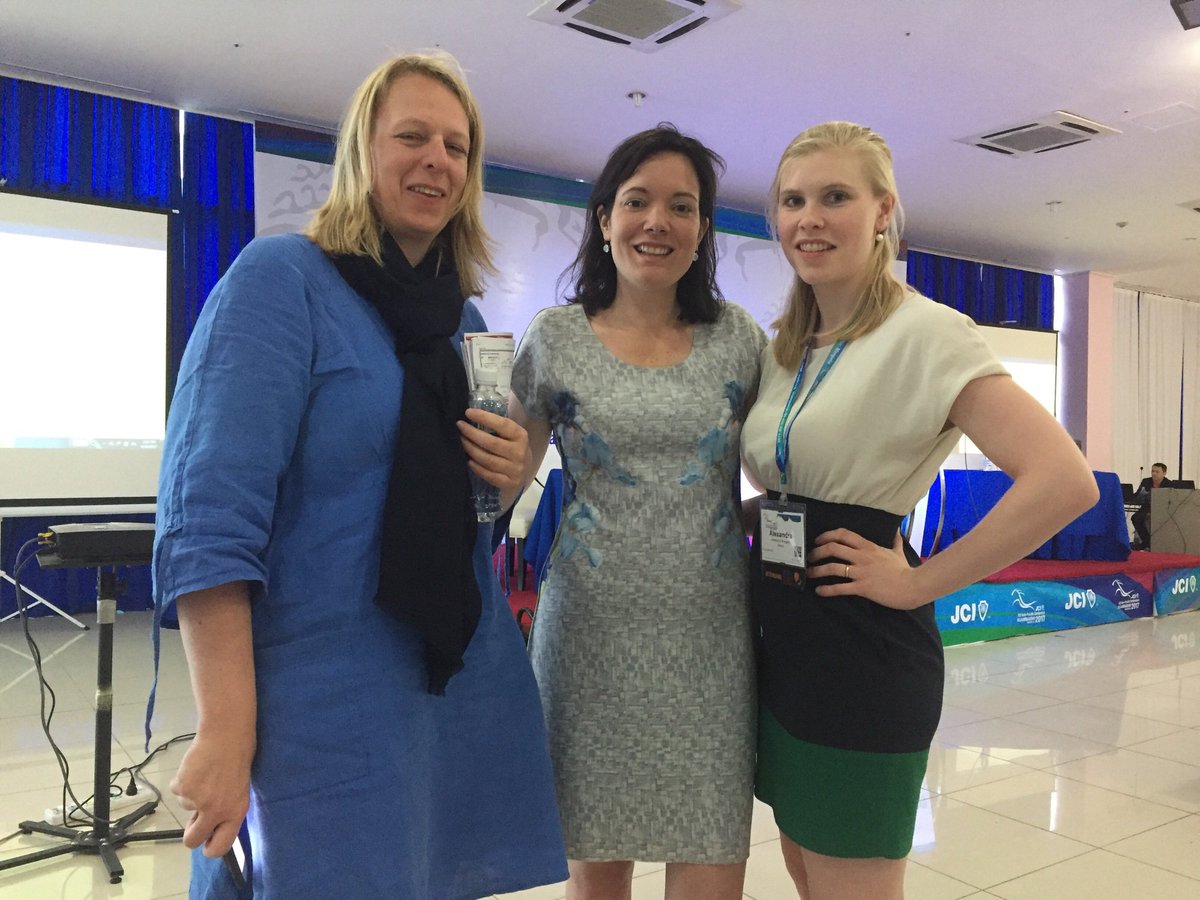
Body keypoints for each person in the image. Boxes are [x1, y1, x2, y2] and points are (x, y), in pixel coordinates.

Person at [151, 52, 567, 898]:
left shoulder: (466, 323)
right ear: (360, 153)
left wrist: (510, 470)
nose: (437, 160)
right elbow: (207, 519)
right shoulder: (279, 282)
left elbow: (463, 515)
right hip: (320, 701)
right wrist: (227, 728)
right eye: (411, 136)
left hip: (452, 683)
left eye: (457, 146)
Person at [739, 122, 1098, 900]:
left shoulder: (930, 332)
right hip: (782, 647)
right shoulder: (785, 347)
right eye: (793, 200)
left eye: (836, 196)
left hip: (862, 650)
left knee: (853, 882)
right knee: (806, 867)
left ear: (882, 211)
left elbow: (1065, 481)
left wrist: (918, 583)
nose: (809, 218)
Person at [509, 125, 766, 900]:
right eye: (637, 201)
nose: (658, 221)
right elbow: (507, 474)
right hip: (588, 632)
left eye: (681, 206)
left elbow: (785, 461)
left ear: (703, 229)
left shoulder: (740, 340)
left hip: (707, 640)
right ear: (604, 219)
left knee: (714, 860)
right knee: (595, 872)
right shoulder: (554, 337)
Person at [1131, 462, 1172, 549]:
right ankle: (1147, 542)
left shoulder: (1169, 484)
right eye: (1152, 471)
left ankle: (1155, 543)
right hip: (1147, 506)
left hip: (1161, 508)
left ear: (1164, 473)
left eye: (1157, 472)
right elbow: (1138, 494)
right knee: (1136, 517)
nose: (1154, 473)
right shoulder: (1146, 481)